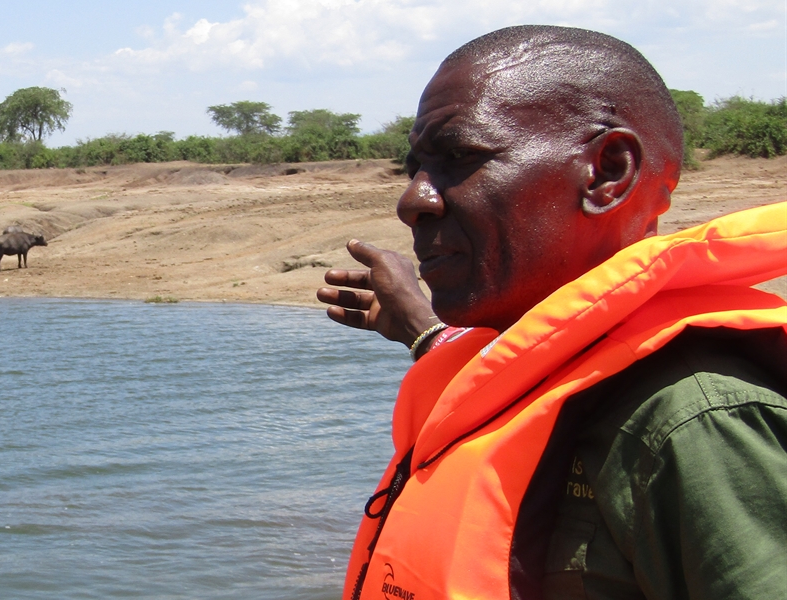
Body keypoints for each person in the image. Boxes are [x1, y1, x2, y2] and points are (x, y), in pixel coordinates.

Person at [316, 25, 787, 600]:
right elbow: (522, 372)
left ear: (607, 172)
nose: (413, 201)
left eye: (460, 157)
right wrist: (423, 334)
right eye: (414, 167)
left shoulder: (694, 422)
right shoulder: (541, 357)